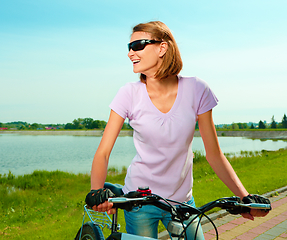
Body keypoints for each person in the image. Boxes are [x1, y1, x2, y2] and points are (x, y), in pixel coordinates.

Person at [86, 21, 269, 239]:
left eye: (138, 45)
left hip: (182, 202)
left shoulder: (197, 89)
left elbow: (214, 154)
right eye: (129, 47)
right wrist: (97, 192)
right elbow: (104, 152)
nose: (130, 53)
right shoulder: (128, 93)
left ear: (162, 48)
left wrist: (244, 198)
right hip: (139, 201)